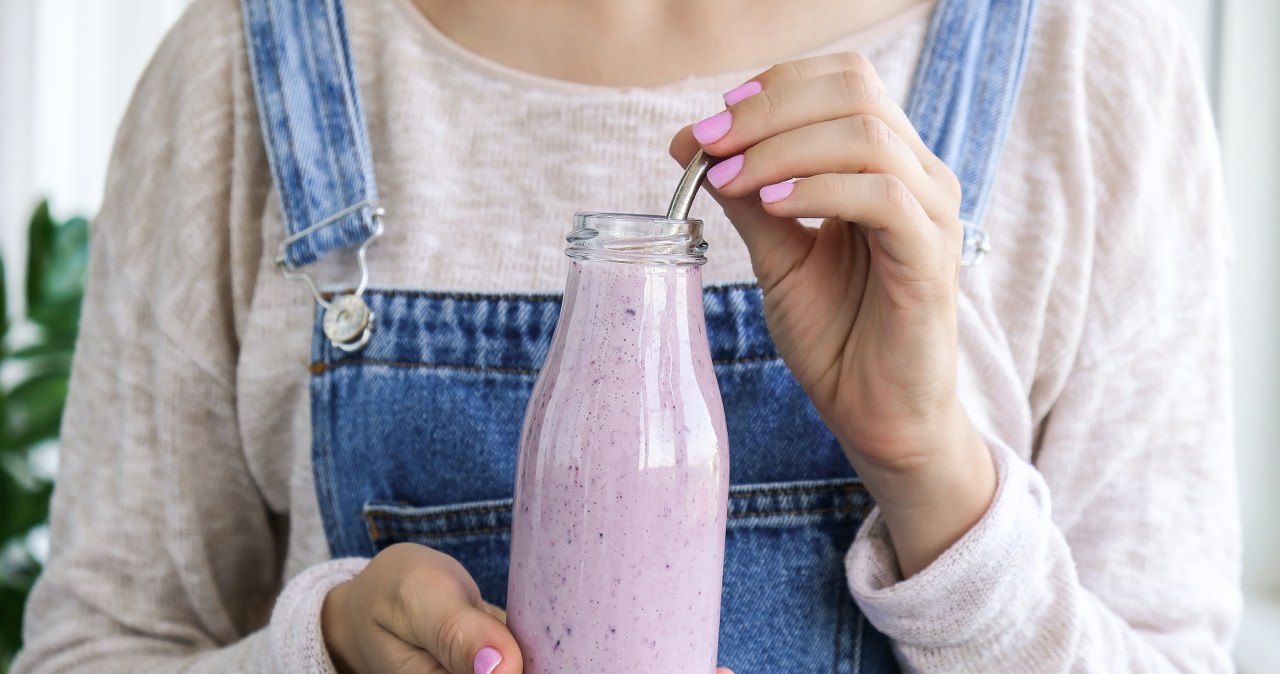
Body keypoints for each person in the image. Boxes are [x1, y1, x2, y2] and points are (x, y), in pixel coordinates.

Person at [13, 0, 1239, 671]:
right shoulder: (248, 68)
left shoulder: (1085, 69)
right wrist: (319, 648)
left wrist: (930, 466)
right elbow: (99, 651)